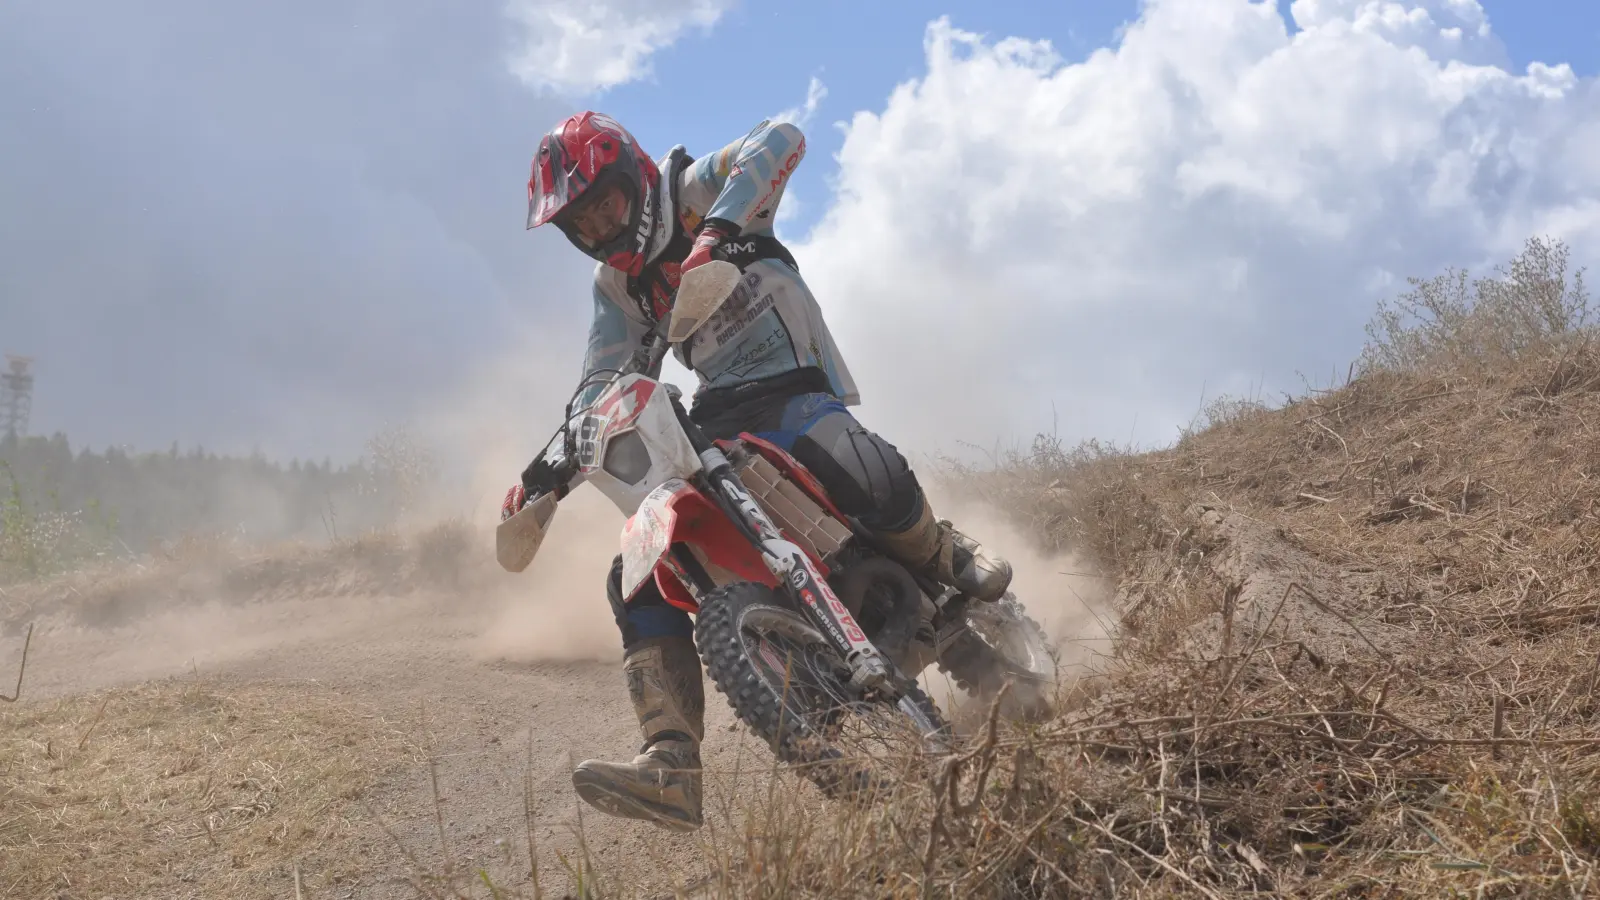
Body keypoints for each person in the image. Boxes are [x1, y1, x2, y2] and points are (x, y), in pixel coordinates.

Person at [502, 110, 1013, 831]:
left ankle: (946, 554)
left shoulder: (694, 187)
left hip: (792, 383)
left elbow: (783, 138)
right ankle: (671, 761)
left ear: (632, 175)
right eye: (581, 225)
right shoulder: (613, 289)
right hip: (714, 411)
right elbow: (600, 375)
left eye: (605, 206)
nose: (600, 230)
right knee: (636, 570)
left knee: (859, 466)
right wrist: (546, 470)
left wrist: (713, 234)